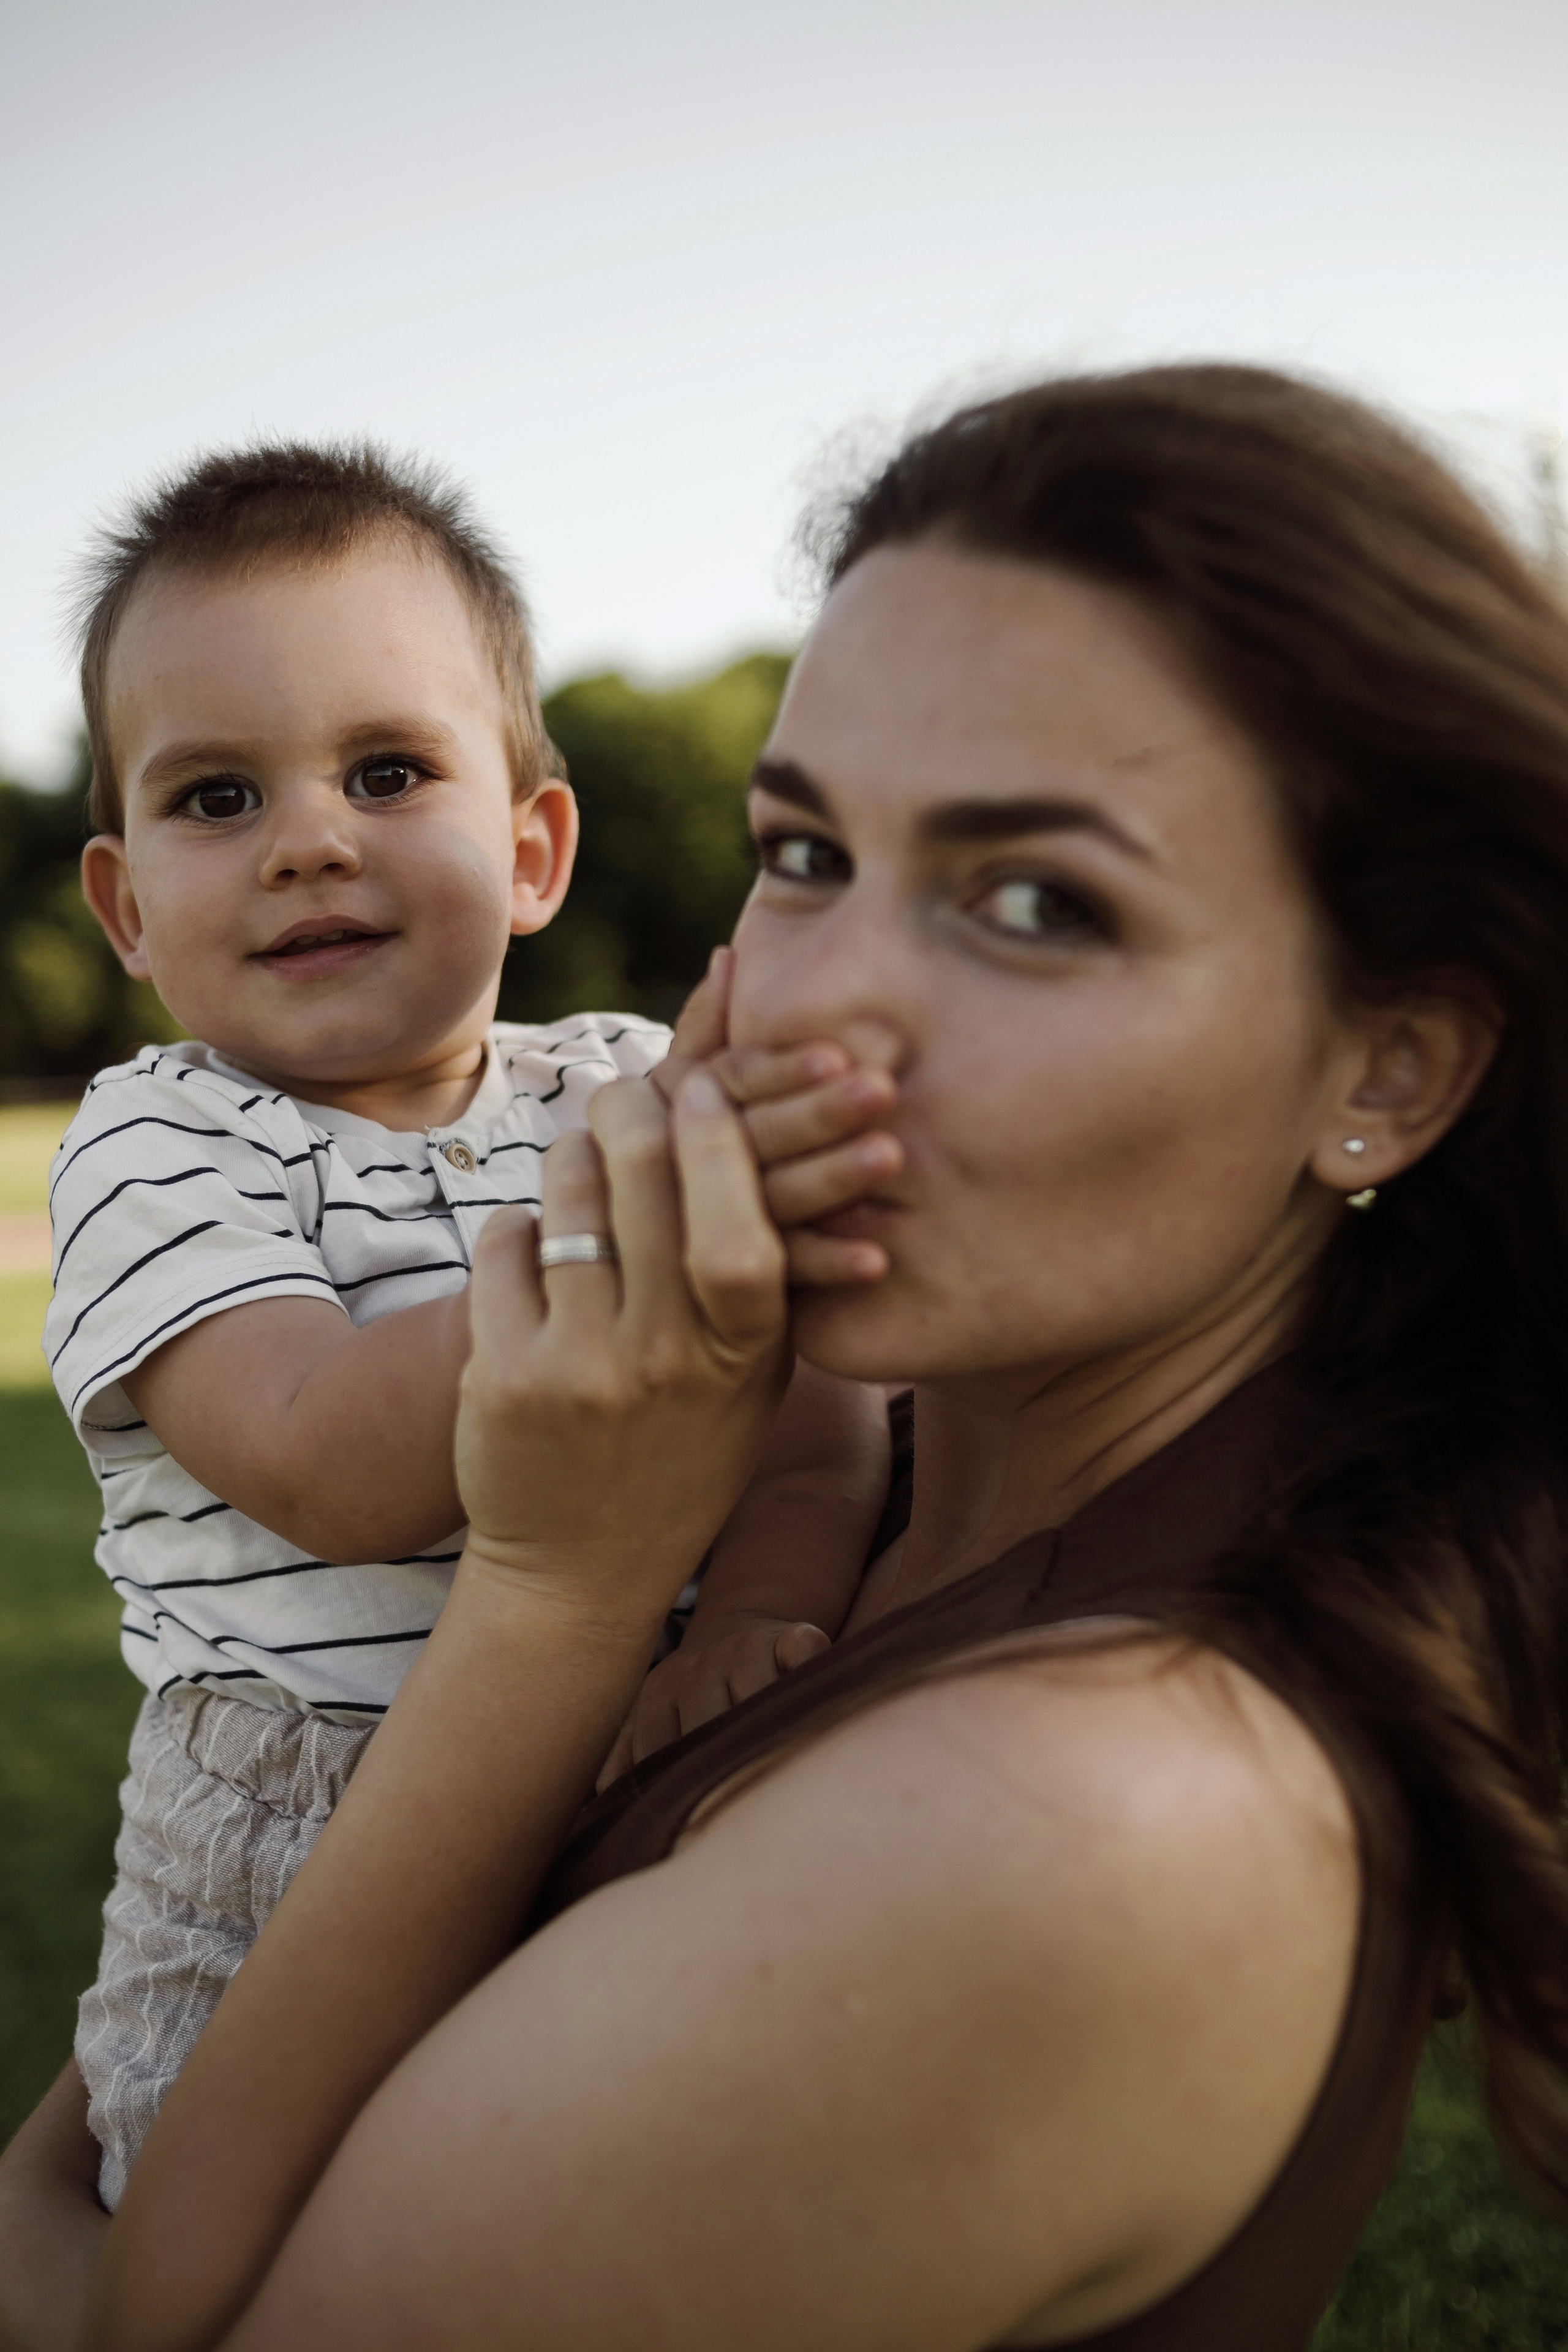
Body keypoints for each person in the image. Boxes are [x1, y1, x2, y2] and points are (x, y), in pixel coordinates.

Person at [7, 358, 1568, 2352]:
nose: (822, 1010)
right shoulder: (950, 1461)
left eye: (1034, 901)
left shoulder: (1069, 1831)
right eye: (809, 856)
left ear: (1393, 1062)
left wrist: (565, 1589)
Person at [45, 441, 899, 2209]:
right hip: (300, 1808)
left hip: (638, 1737)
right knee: (261, 2244)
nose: (307, 843)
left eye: (384, 769)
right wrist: (616, 1225)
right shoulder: (166, 1138)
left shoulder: (623, 1081)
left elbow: (813, 1405)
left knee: (584, 2216)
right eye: (217, 799)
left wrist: (756, 1614)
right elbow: (324, 1460)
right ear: (127, 910)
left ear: (531, 852)